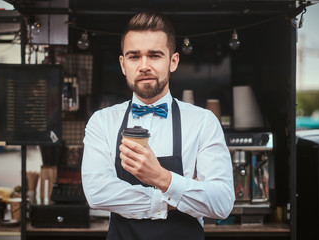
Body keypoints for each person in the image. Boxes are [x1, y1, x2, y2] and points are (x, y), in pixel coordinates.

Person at [81, 11, 235, 240]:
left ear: (173, 61)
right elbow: (98, 194)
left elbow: (221, 203)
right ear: (123, 64)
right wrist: (176, 195)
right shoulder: (102, 122)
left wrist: (161, 177)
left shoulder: (203, 122)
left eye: (154, 55)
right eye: (134, 56)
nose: (144, 66)